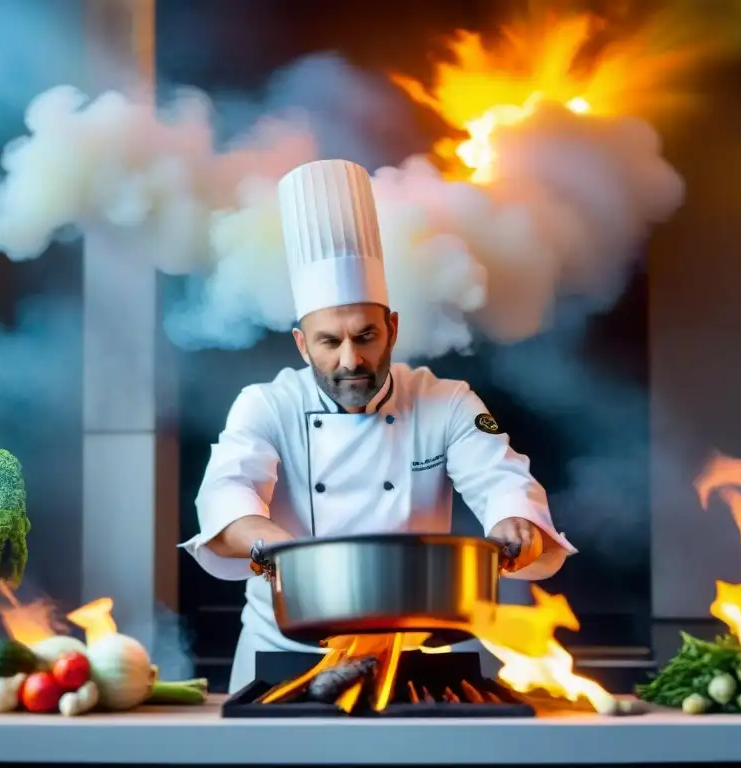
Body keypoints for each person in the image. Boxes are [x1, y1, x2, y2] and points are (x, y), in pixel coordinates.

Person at [180, 158, 577, 693]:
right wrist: (271, 544)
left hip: (416, 652)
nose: (350, 360)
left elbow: (502, 480)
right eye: (329, 341)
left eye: (365, 336)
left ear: (392, 329)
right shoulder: (266, 404)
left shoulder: (447, 402)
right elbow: (229, 494)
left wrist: (514, 523)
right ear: (302, 343)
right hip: (286, 651)